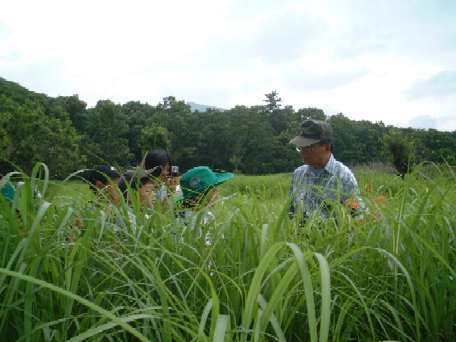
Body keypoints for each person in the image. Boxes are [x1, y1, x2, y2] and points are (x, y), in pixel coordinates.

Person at [288, 119, 364, 223]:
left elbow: (357, 215)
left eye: (308, 147)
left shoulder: (344, 177)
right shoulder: (298, 174)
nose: (302, 152)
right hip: (299, 237)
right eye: (300, 147)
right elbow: (290, 212)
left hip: (331, 237)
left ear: (327, 147)